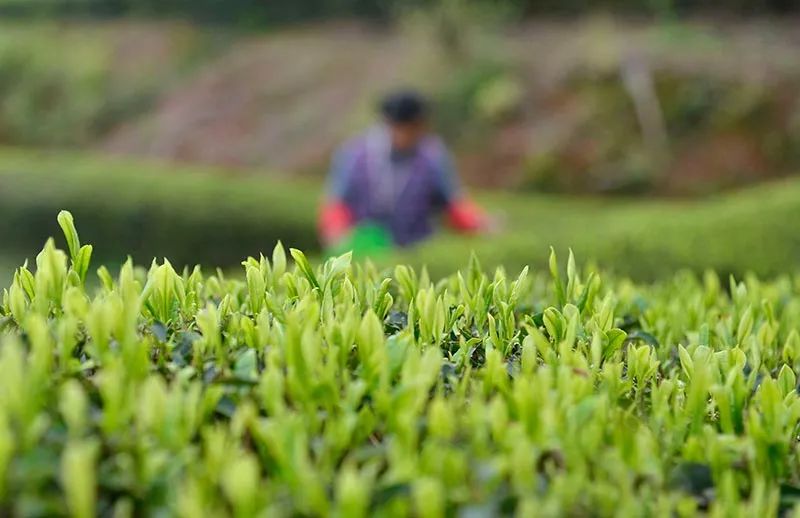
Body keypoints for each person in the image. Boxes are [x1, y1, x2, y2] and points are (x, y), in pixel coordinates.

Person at [318, 90, 490, 251]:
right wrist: (337, 234)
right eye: (400, 128)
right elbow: (336, 204)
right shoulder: (356, 154)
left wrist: (480, 224)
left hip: (415, 252)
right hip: (367, 249)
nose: (406, 135)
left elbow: (453, 205)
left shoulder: (432, 157)